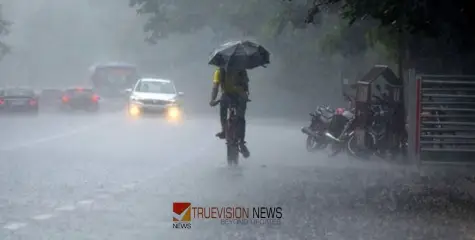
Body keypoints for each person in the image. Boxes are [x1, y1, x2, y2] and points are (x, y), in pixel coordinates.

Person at [209, 67, 250, 157]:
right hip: (238, 96)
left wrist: (213, 100)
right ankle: (241, 141)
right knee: (241, 117)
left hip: (228, 96)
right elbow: (246, 85)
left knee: (223, 111)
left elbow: (215, 87)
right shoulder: (241, 69)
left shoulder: (219, 71)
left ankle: (224, 130)